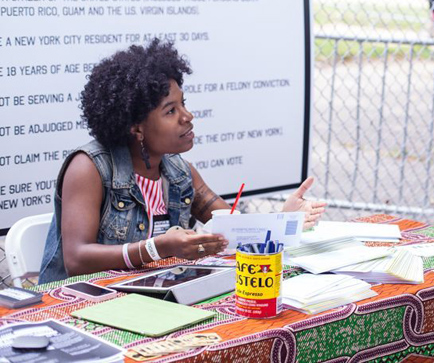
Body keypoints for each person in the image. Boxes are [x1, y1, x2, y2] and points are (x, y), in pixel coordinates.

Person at [39, 40, 326, 283]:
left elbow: (235, 229)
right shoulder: (89, 167)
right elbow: (76, 259)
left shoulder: (180, 172)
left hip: (150, 297)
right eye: (170, 111)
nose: (187, 117)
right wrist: (156, 249)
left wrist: (285, 218)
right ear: (136, 127)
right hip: (78, 304)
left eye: (184, 104)